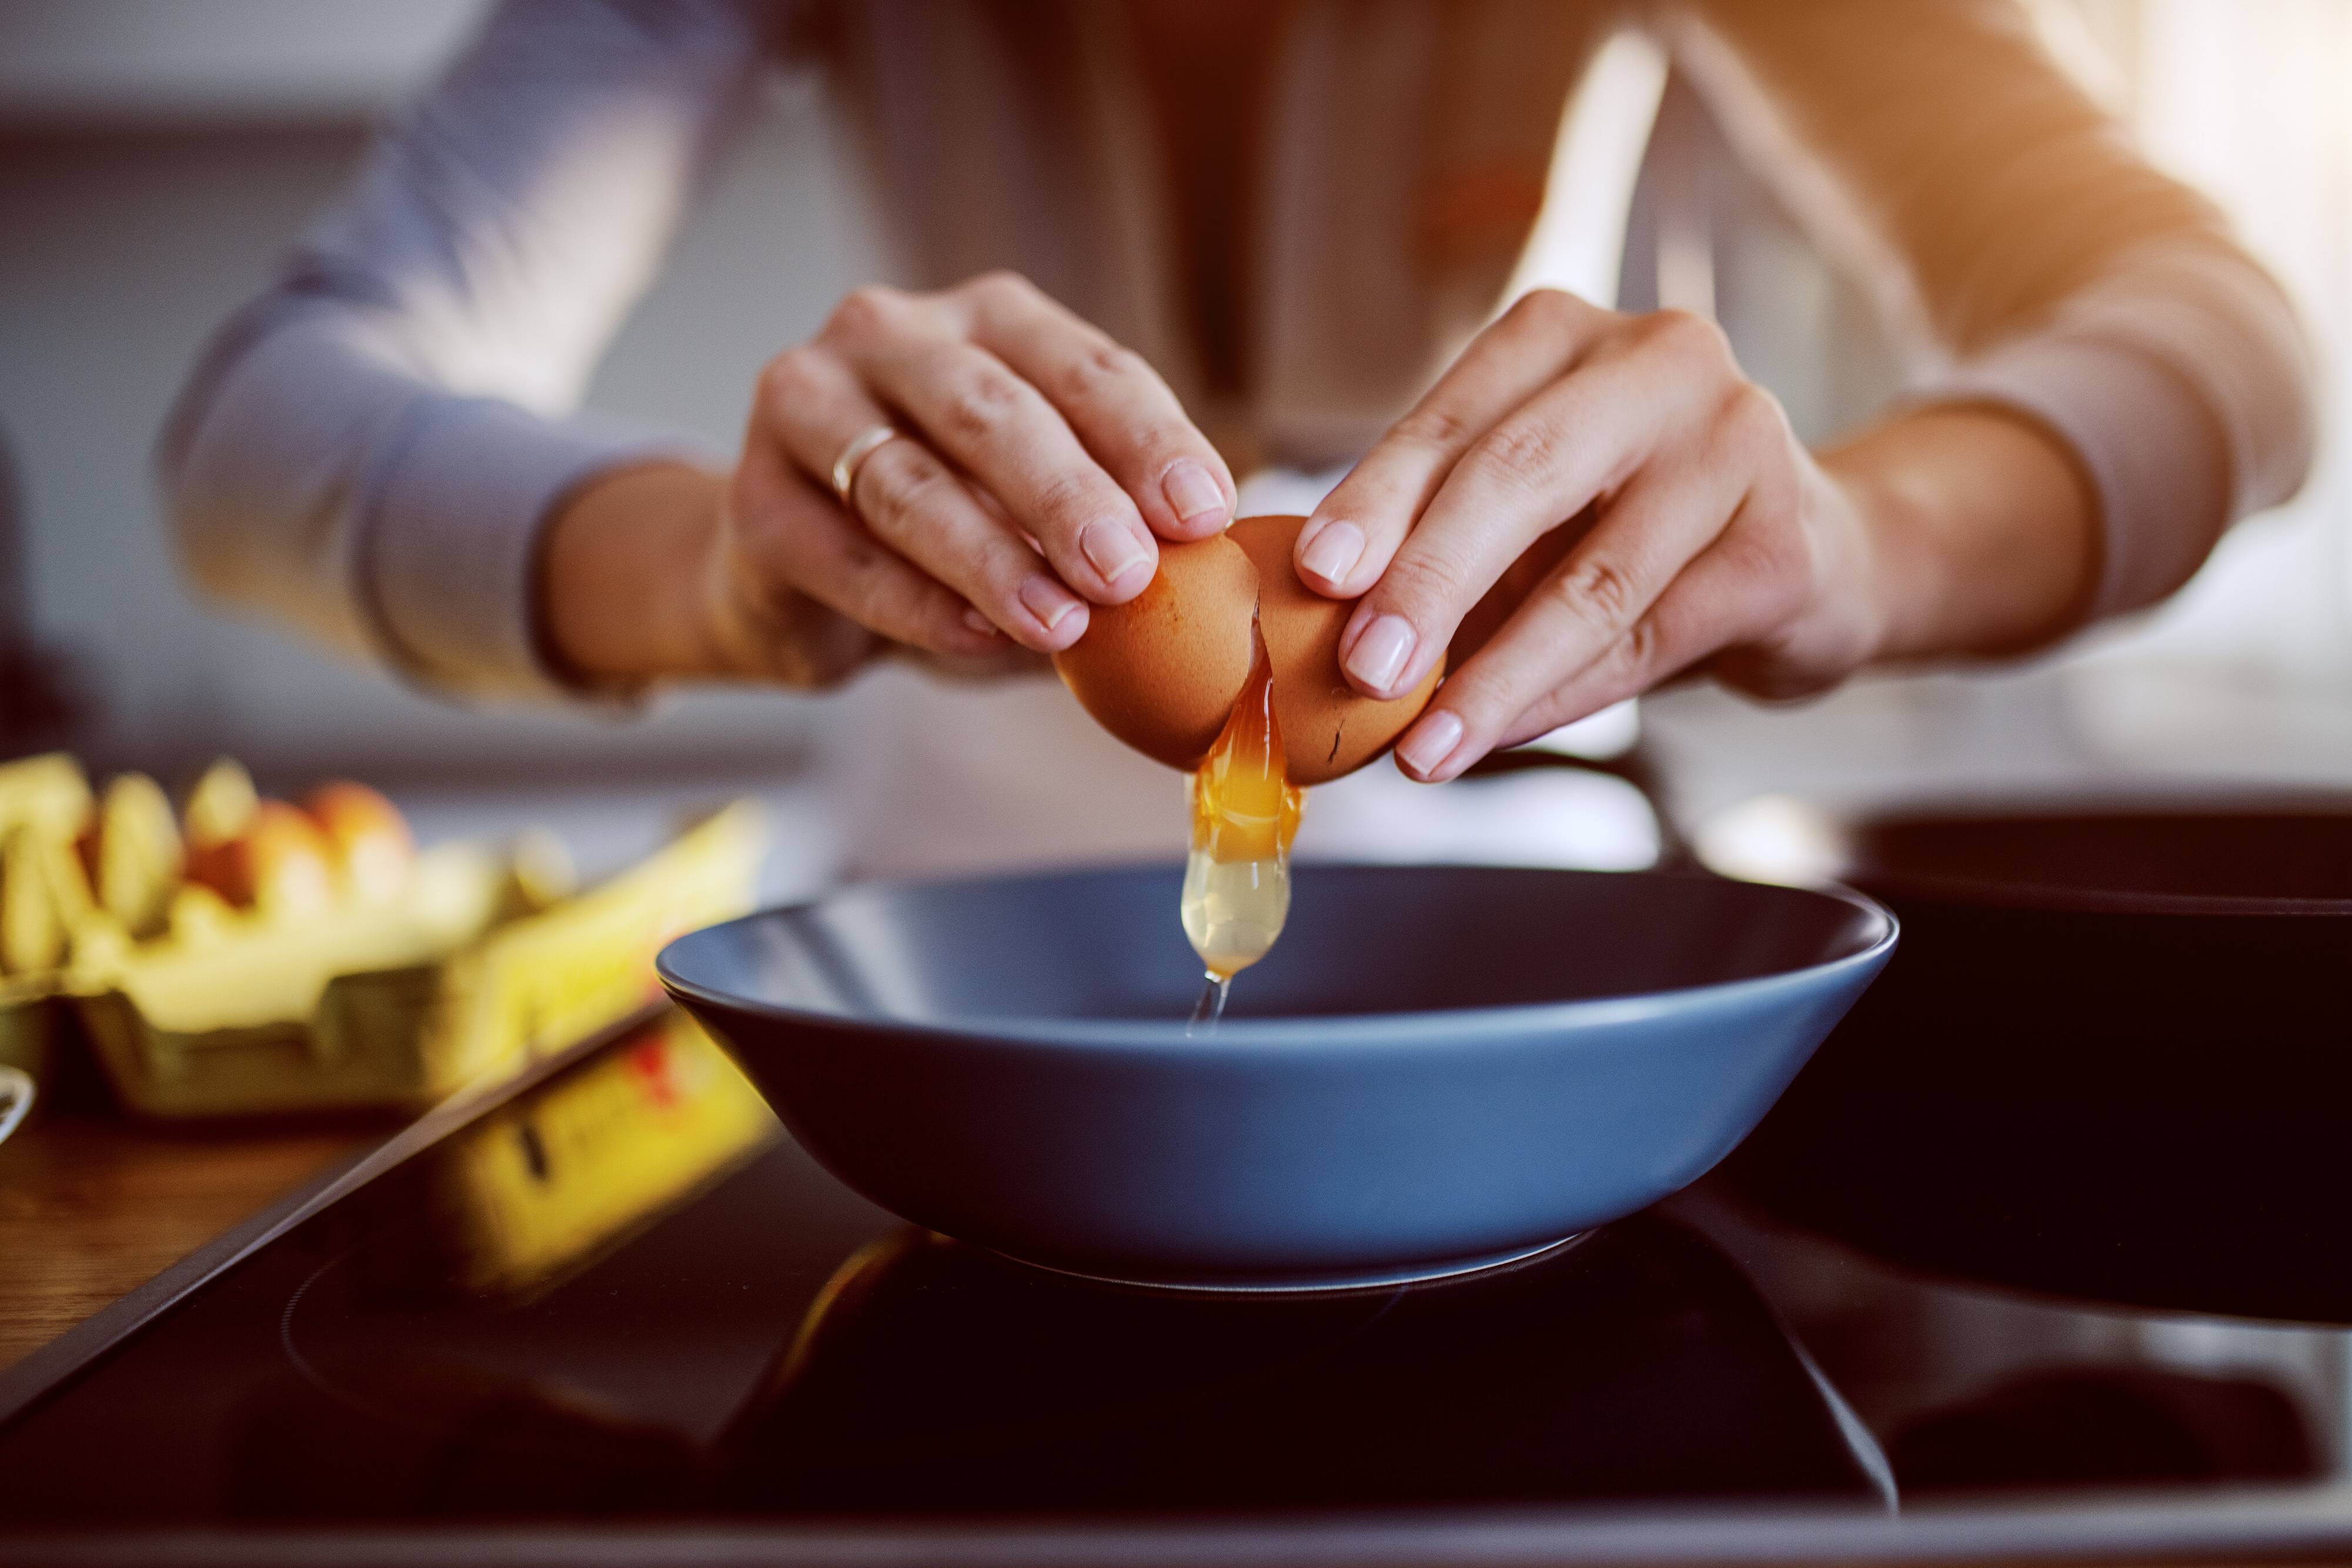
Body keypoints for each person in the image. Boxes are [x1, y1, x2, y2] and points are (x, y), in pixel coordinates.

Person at [161, 0, 2313, 875]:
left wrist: (1856, 550)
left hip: (1525, 889)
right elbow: (258, 427)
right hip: (955, 922)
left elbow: (2234, 345)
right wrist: (722, 573)